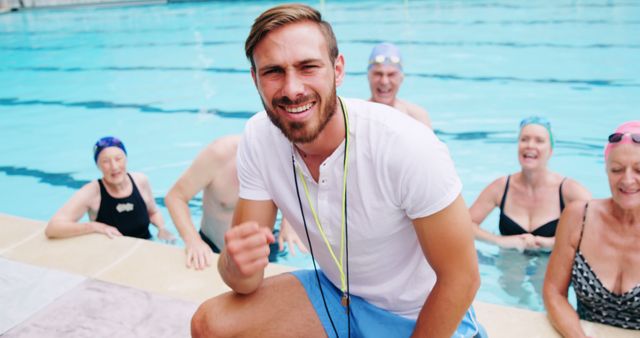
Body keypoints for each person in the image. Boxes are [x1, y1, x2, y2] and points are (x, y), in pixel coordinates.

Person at [191, 4, 484, 337]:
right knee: (211, 324)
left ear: (338, 69)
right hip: (338, 299)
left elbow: (462, 277)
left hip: (417, 314)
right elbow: (244, 282)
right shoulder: (259, 138)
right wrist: (234, 263)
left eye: (308, 67)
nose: (291, 89)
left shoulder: (405, 145)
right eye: (273, 71)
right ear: (255, 79)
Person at [544, 121, 640, 335]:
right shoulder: (579, 217)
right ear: (606, 170)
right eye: (616, 169)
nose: (627, 180)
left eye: (639, 170)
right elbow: (553, 292)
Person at [164, 135, 307, 270]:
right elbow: (175, 197)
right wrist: (193, 241)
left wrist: (288, 222)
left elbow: (295, 190)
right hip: (214, 248)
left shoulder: (289, 158)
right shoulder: (220, 154)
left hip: (262, 247)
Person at [469, 116, 591, 251]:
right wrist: (500, 241)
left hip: (550, 265)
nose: (530, 145)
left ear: (551, 150)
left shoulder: (568, 190)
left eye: (539, 141)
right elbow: (464, 225)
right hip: (509, 265)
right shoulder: (501, 187)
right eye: (524, 139)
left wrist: (552, 243)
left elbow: (598, 229)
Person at [46, 136, 174, 242]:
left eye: (118, 159)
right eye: (106, 161)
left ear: (126, 159)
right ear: (98, 165)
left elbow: (153, 212)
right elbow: (53, 228)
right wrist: (94, 227)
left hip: (144, 246)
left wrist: (162, 229)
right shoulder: (92, 192)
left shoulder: (141, 181)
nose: (114, 166)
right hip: (111, 255)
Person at [367, 42, 432, 127]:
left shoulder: (417, 117)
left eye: (391, 74)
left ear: (401, 78)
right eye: (378, 74)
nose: (384, 81)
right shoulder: (356, 116)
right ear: (369, 76)